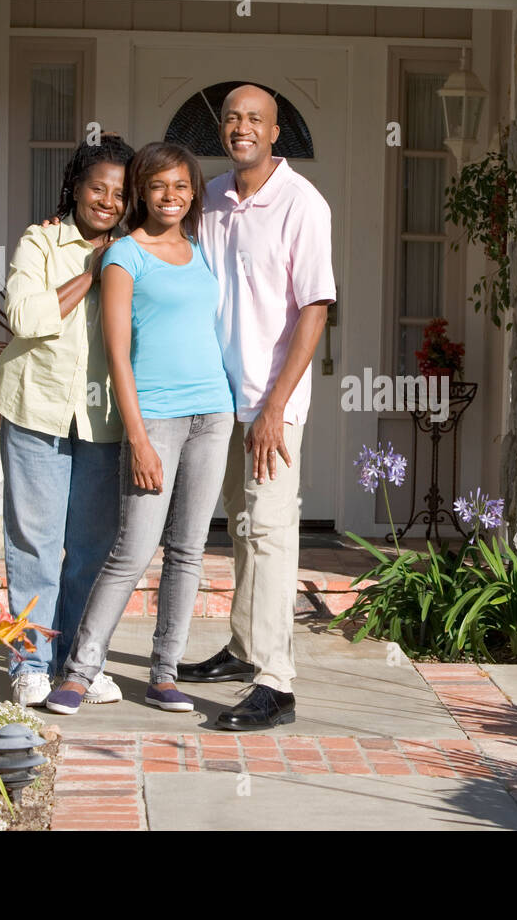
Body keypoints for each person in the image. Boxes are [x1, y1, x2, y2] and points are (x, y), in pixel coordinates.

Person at [45, 142, 235, 715]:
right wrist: (139, 438)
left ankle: (164, 674)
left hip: (213, 413)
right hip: (154, 417)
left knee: (188, 551)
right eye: (158, 186)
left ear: (193, 192)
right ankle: (78, 672)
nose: (170, 196)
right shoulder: (125, 256)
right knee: (132, 549)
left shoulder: (203, 252)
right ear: (142, 193)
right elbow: (118, 354)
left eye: (181, 186)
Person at [175, 84, 335, 731]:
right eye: (234, 118)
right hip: (222, 399)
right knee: (240, 530)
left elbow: (314, 311)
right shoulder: (210, 198)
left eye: (256, 120)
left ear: (276, 132)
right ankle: (244, 649)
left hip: (274, 404)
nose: (243, 127)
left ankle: (278, 683)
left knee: (269, 534)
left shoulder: (302, 203)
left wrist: (274, 406)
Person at [0, 134, 134, 707]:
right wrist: (94, 271)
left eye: (120, 193)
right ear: (75, 187)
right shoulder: (41, 240)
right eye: (98, 188)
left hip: (104, 417)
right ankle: (29, 663)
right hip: (36, 407)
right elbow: (23, 315)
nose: (108, 201)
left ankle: (78, 666)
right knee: (34, 544)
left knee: (92, 550)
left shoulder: (136, 249)